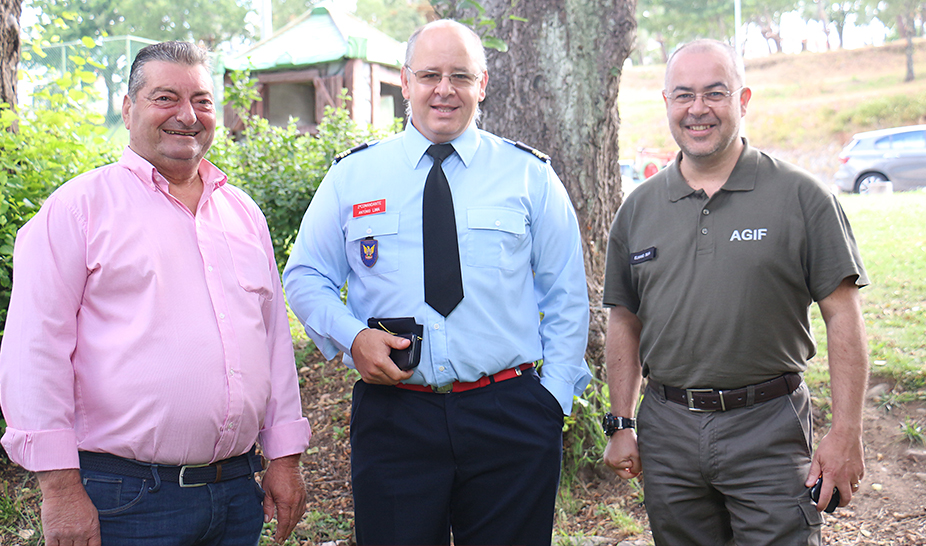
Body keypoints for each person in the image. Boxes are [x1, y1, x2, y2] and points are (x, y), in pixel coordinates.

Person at [283, 19, 590, 546]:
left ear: (483, 84)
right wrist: (352, 337)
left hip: (509, 415)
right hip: (396, 416)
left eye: (460, 76)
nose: (443, 90)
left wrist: (553, 399)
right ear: (405, 82)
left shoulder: (528, 175)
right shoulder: (354, 177)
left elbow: (567, 295)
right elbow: (306, 275)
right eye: (429, 75)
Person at [0, 41, 311, 546]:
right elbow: (34, 352)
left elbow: (273, 343)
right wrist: (58, 490)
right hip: (124, 499)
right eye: (165, 97)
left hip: (237, 492)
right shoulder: (77, 210)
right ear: (128, 109)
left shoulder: (243, 214)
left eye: (203, 101)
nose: (187, 116)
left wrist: (284, 456)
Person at [601, 39, 869, 546]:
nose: (697, 109)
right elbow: (624, 318)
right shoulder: (638, 209)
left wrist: (846, 431)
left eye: (714, 93)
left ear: (743, 100)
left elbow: (843, 315)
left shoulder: (801, 196)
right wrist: (621, 421)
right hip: (668, 430)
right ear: (666, 103)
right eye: (683, 95)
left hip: (768, 426)